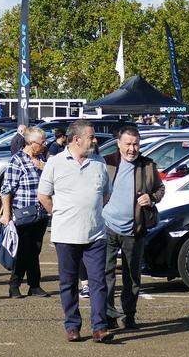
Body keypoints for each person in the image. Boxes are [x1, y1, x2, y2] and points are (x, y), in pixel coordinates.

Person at [37, 119, 112, 343]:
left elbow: (106, 195)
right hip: (66, 235)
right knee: (68, 282)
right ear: (77, 139)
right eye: (91, 136)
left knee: (98, 281)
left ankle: (100, 327)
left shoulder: (99, 163)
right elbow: (43, 195)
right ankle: (72, 326)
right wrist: (58, 214)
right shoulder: (55, 162)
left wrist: (91, 211)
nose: (95, 140)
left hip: (95, 234)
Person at [101, 124, 164, 330]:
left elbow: (160, 188)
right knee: (105, 273)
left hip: (135, 229)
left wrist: (151, 198)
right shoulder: (107, 163)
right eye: (128, 144)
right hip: (107, 227)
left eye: (136, 144)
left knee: (132, 275)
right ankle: (108, 314)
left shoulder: (147, 165)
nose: (132, 149)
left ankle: (129, 315)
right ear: (119, 144)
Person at [0, 126, 51, 299]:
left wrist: (44, 166)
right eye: (42, 142)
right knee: (22, 250)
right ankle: (14, 285)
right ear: (31, 143)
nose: (44, 145)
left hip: (41, 213)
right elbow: (7, 189)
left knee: (35, 249)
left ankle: (34, 285)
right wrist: (6, 215)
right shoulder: (17, 160)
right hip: (23, 213)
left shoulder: (43, 158)